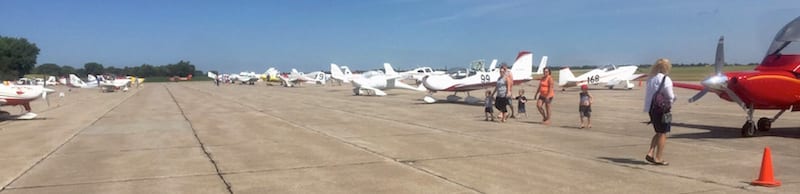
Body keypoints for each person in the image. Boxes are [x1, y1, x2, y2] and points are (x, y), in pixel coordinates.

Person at [644, 58, 675, 166]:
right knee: (663, 133)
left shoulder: (650, 79)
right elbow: (670, 96)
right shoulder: (666, 79)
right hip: (663, 110)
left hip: (651, 109)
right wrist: (672, 101)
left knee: (658, 131)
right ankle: (658, 158)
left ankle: (650, 152)